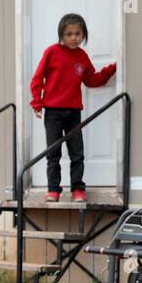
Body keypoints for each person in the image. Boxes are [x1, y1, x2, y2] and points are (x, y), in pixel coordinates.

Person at [28, 13, 117, 202]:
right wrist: (37, 102)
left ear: (84, 35)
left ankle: (77, 189)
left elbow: (91, 80)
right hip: (52, 112)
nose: (73, 37)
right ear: (61, 34)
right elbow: (37, 78)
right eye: (69, 34)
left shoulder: (82, 56)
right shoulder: (51, 52)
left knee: (77, 152)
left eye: (78, 33)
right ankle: (53, 190)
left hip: (73, 112)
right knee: (54, 153)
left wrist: (112, 69)